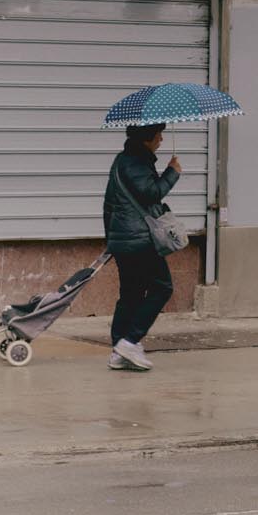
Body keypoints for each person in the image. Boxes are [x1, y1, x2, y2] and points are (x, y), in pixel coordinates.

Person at [102, 123, 180, 372]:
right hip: (139, 240)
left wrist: (111, 240)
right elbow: (151, 193)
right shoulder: (136, 162)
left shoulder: (123, 160)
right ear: (147, 137)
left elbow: (108, 205)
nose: (161, 139)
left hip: (124, 239)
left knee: (131, 294)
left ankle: (118, 351)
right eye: (158, 134)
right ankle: (130, 341)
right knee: (162, 287)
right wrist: (172, 172)